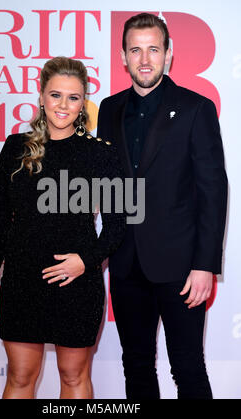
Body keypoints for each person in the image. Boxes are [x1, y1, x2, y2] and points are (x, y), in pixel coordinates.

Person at [0, 56, 126, 399]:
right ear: (41, 97)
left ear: (84, 102)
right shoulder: (15, 148)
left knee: (73, 376)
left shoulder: (102, 155)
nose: (63, 105)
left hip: (77, 281)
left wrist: (86, 261)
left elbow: (117, 226)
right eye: (55, 95)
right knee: (20, 375)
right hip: (22, 280)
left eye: (73, 97)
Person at [97, 13, 228, 399]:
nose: (144, 59)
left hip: (181, 268)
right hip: (124, 264)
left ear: (168, 55)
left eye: (153, 49)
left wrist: (205, 264)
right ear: (123, 56)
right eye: (135, 50)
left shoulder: (195, 108)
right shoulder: (108, 109)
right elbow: (106, 186)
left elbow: (213, 189)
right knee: (135, 366)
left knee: (187, 368)